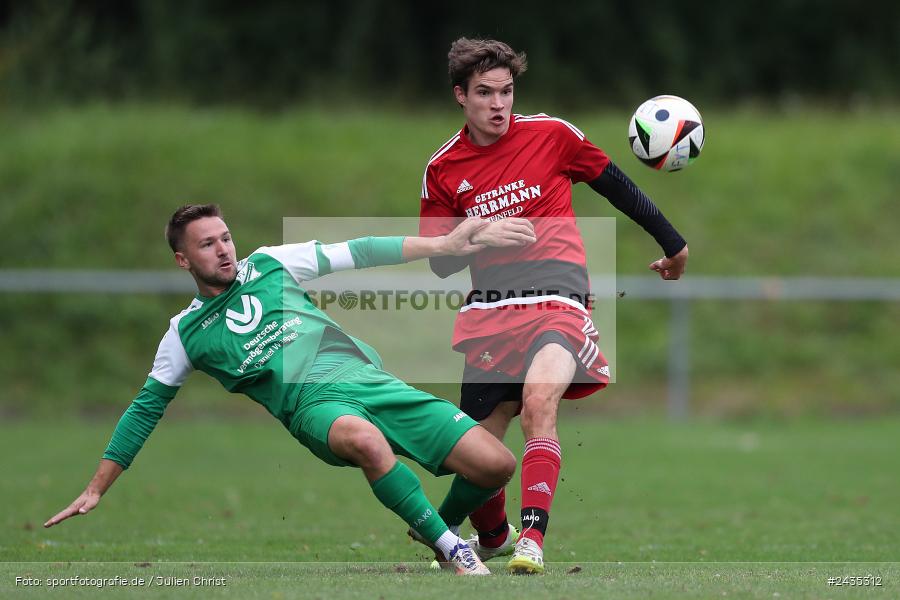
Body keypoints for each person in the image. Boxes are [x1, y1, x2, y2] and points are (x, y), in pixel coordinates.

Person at [44, 204, 538, 575]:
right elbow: (144, 409)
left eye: (225, 237)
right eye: (207, 244)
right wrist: (95, 488)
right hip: (314, 406)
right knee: (365, 441)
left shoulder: (270, 264)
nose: (223, 249)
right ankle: (451, 550)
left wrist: (445, 246)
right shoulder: (185, 334)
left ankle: (432, 526)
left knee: (496, 463)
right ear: (182, 259)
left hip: (372, 381)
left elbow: (358, 252)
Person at [418, 38, 690, 574]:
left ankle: (532, 541)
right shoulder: (444, 169)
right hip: (492, 310)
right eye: (485, 93)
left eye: (506, 91)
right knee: (478, 449)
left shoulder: (551, 135)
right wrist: (481, 235)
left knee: (540, 405)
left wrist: (672, 242)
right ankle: (492, 535)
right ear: (460, 96)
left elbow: (617, 186)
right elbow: (439, 262)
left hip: (559, 299)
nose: (499, 104)